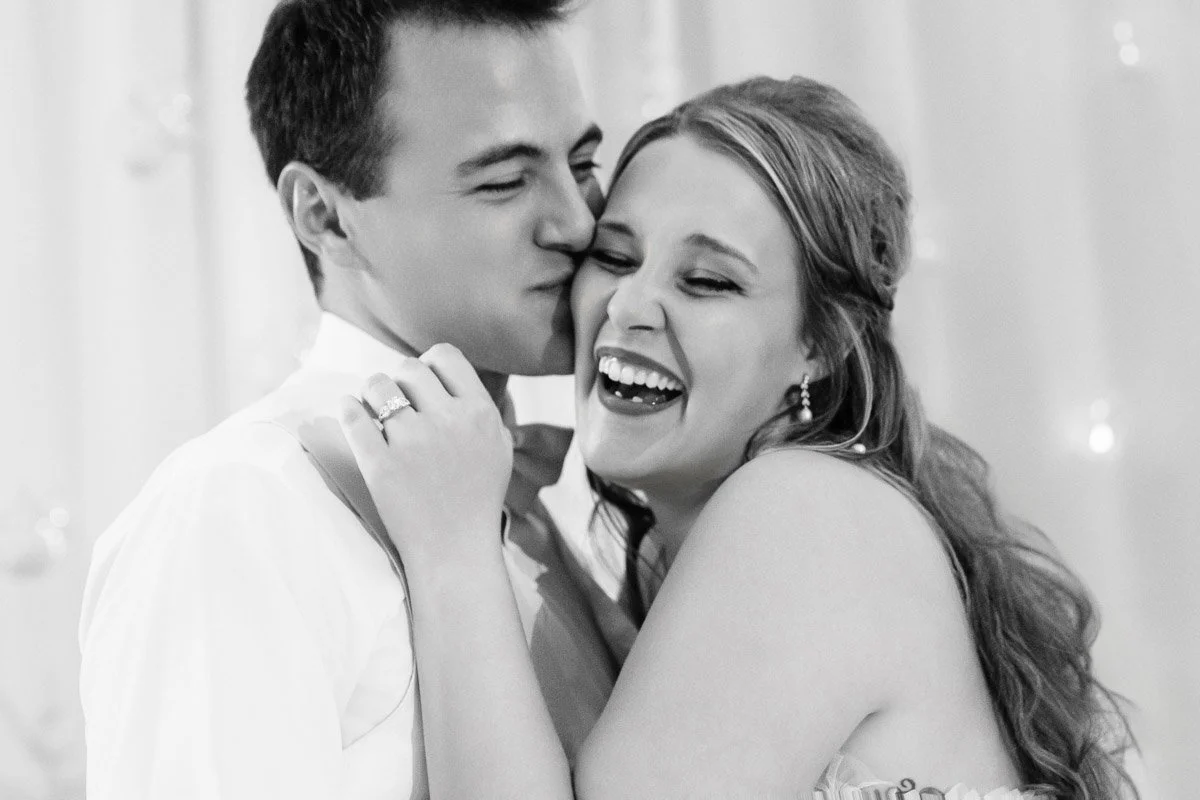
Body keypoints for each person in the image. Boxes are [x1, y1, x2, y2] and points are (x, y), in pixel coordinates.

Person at [338, 75, 1139, 798]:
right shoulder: (692, 554)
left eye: (707, 281)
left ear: (819, 345)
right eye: (616, 257)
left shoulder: (803, 513)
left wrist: (452, 547)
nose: (628, 307)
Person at [78, 1, 618, 798]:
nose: (578, 224)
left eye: (581, 166)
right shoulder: (239, 510)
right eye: (505, 182)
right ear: (324, 215)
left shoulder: (543, 507)